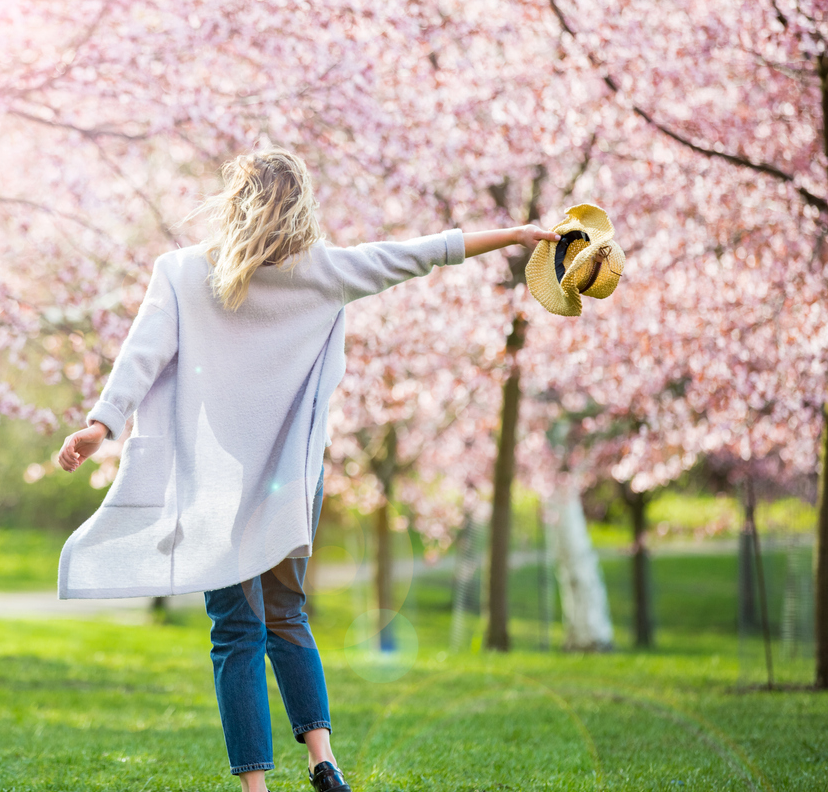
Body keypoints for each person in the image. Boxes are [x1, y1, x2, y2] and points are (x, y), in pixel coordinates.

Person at [58, 149, 559, 792]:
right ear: (300, 205)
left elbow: (141, 358)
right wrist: (514, 236)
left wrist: (101, 424)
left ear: (236, 202)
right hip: (289, 480)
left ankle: (256, 788)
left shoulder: (183, 273)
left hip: (218, 485)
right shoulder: (324, 272)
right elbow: (420, 252)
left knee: (236, 630)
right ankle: (324, 761)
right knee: (287, 613)